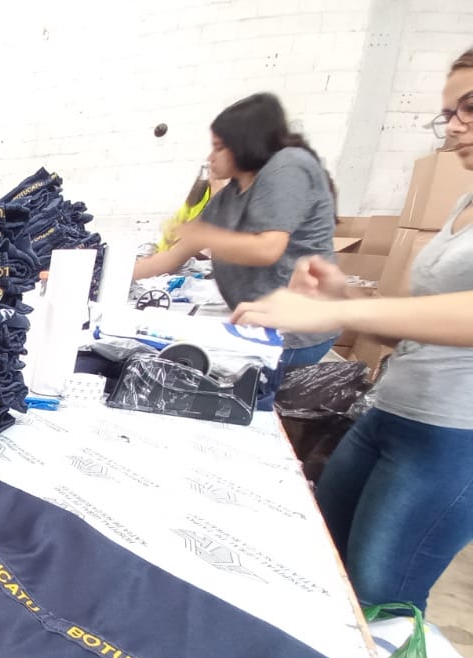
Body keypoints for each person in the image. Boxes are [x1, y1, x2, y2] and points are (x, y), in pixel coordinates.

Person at [232, 46, 473, 613]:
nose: (454, 127)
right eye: (448, 114)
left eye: (470, 107)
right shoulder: (464, 203)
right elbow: (416, 327)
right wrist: (341, 294)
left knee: (379, 600)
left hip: (451, 436)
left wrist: (337, 315)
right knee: (323, 563)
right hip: (391, 413)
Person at [133, 93, 338, 366]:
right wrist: (99, 274)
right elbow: (172, 257)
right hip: (257, 325)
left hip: (291, 334)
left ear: (244, 144)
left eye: (218, 148)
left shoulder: (289, 165)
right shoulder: (228, 197)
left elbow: (267, 249)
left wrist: (205, 235)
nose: (210, 157)